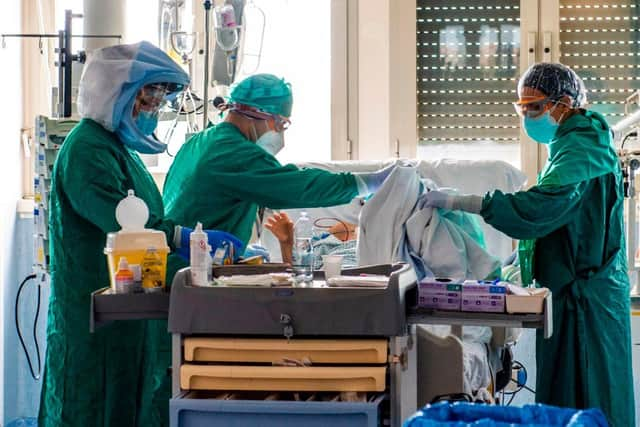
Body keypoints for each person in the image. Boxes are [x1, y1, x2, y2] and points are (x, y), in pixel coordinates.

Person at [420, 63, 635, 426]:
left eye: (534, 107)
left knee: (590, 396)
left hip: (588, 305)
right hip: (574, 294)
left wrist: (466, 202)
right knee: (570, 399)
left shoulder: (583, 149)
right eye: (522, 107)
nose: (527, 116)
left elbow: (540, 209)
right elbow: (563, 225)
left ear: (563, 103)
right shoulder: (572, 141)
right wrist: (516, 266)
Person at [38, 41, 235, 427]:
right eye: (148, 100)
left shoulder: (118, 150)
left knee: (128, 401)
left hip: (127, 307)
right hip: (94, 310)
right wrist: (183, 239)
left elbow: (143, 219)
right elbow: (127, 225)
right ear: (117, 94)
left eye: (159, 101)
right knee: (91, 405)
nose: (155, 110)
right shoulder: (86, 151)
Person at [162, 73, 394, 276]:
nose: (280, 134)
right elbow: (298, 186)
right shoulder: (233, 153)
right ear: (260, 114)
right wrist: (366, 182)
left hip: (182, 263)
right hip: (191, 268)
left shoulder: (199, 142)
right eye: (281, 124)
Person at [265, 212, 358, 266]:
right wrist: (286, 243)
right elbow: (300, 272)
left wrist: (286, 244)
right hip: (336, 277)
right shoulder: (322, 245)